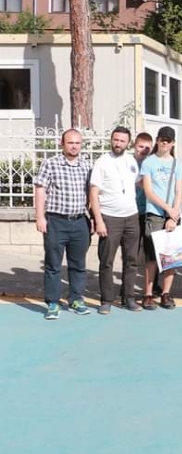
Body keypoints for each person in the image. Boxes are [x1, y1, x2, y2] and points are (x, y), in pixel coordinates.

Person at [35, 129, 93, 319]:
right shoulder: (50, 164)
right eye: (70, 143)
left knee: (78, 264)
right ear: (62, 144)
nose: (74, 146)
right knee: (53, 264)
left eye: (77, 143)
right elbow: (40, 190)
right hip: (56, 222)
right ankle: (53, 303)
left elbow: (91, 194)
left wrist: (92, 218)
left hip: (79, 222)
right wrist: (40, 217)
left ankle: (76, 299)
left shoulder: (86, 166)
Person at [88, 126, 142, 314]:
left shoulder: (132, 161)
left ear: (128, 143)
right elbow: (93, 193)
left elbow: (138, 184)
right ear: (111, 140)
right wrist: (99, 220)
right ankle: (106, 300)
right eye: (116, 140)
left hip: (131, 217)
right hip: (110, 218)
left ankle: (129, 297)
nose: (118, 143)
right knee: (107, 261)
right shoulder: (102, 162)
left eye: (122, 141)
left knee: (131, 260)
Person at [139, 127, 182, 311]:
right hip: (155, 213)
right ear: (157, 140)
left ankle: (166, 293)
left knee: (171, 256)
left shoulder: (177, 164)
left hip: (172, 214)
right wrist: (167, 209)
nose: (165, 143)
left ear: (173, 143)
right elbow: (148, 191)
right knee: (152, 256)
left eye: (169, 140)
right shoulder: (149, 162)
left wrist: (174, 213)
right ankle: (148, 293)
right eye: (162, 139)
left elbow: (179, 190)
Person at [133, 132, 159, 297]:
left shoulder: (153, 164)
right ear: (134, 146)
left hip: (151, 212)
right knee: (131, 252)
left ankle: (154, 285)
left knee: (152, 251)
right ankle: (127, 287)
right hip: (132, 212)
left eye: (147, 148)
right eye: (140, 146)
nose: (143, 150)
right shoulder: (129, 164)